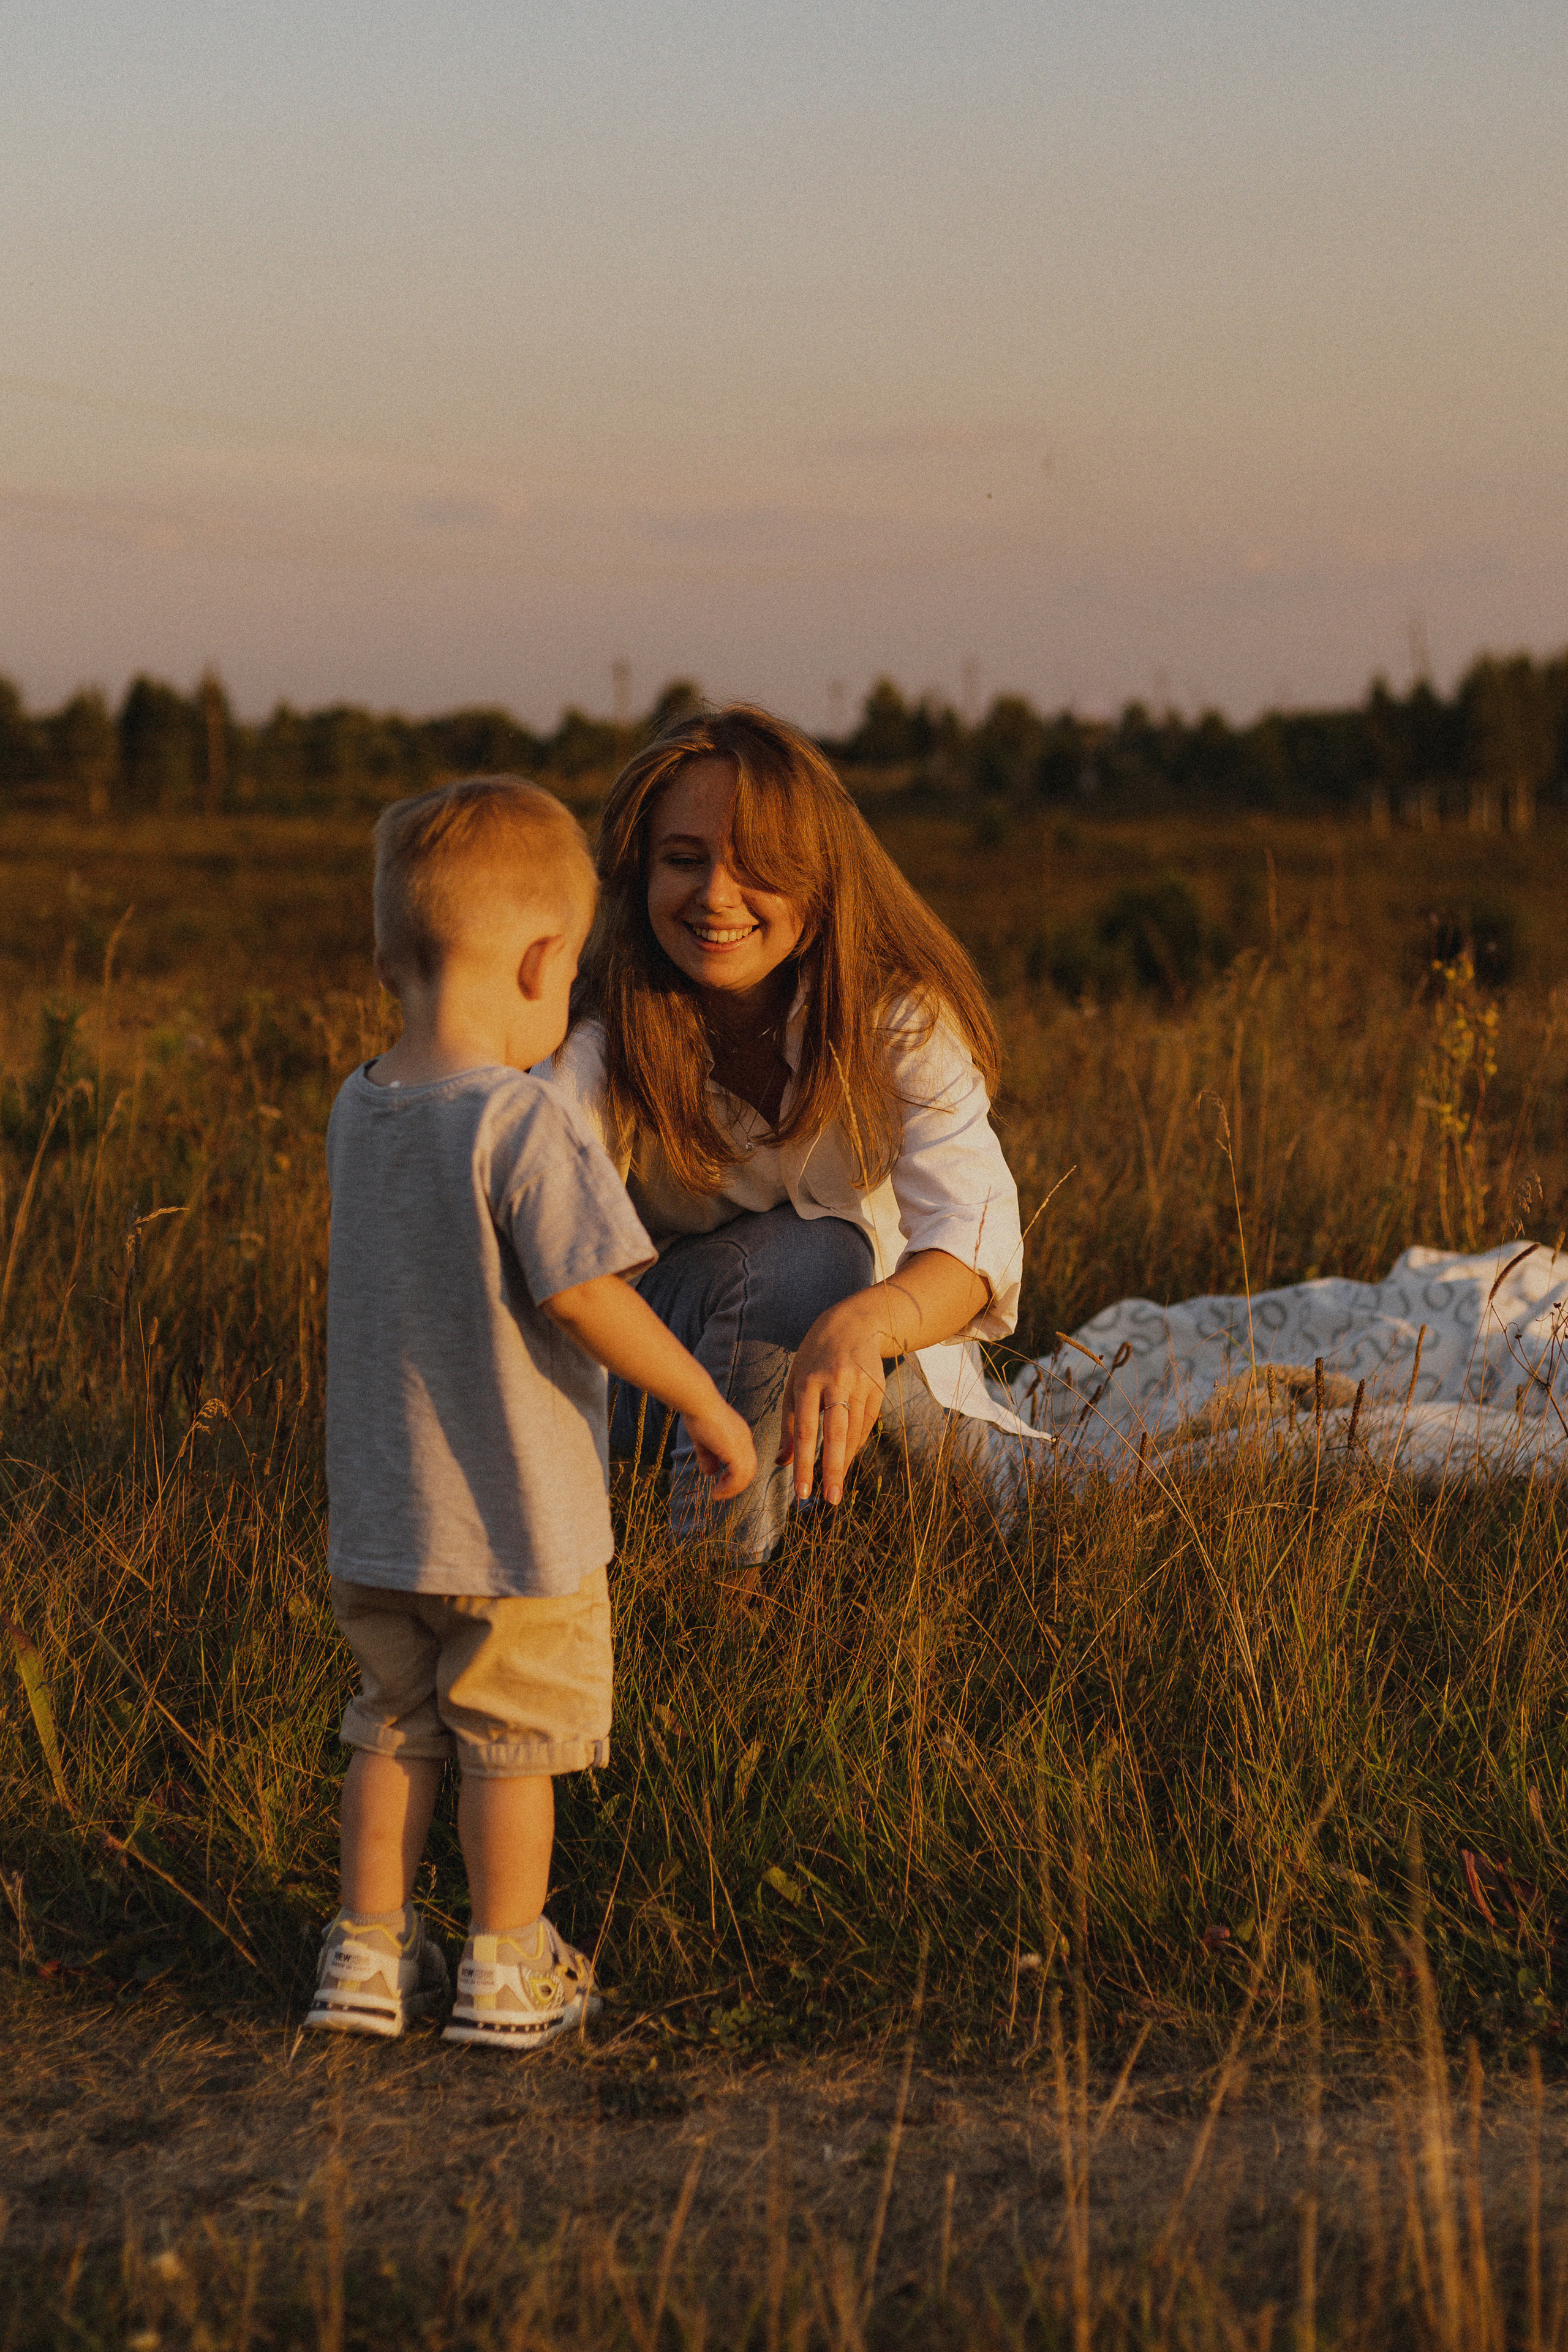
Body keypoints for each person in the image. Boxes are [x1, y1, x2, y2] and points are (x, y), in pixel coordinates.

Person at [308, 777, 755, 2048]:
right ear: (549, 958)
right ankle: (508, 1965)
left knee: (390, 1731)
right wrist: (706, 1405)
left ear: (394, 949)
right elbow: (587, 1299)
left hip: (382, 1521)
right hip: (517, 1529)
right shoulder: (522, 1120)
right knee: (511, 1745)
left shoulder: (360, 1106)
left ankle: (367, 1954)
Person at [540, 704, 1042, 1561]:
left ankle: (819, 1527)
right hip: (656, 1372)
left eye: (756, 867)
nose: (715, 897)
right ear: (639, 873)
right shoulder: (608, 1025)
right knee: (812, 1254)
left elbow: (976, 1235)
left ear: (818, 882)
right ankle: (717, 1589)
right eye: (683, 861)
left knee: (992, 1522)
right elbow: (537, 1231)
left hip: (870, 1355)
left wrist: (863, 1326)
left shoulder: (894, 1014)